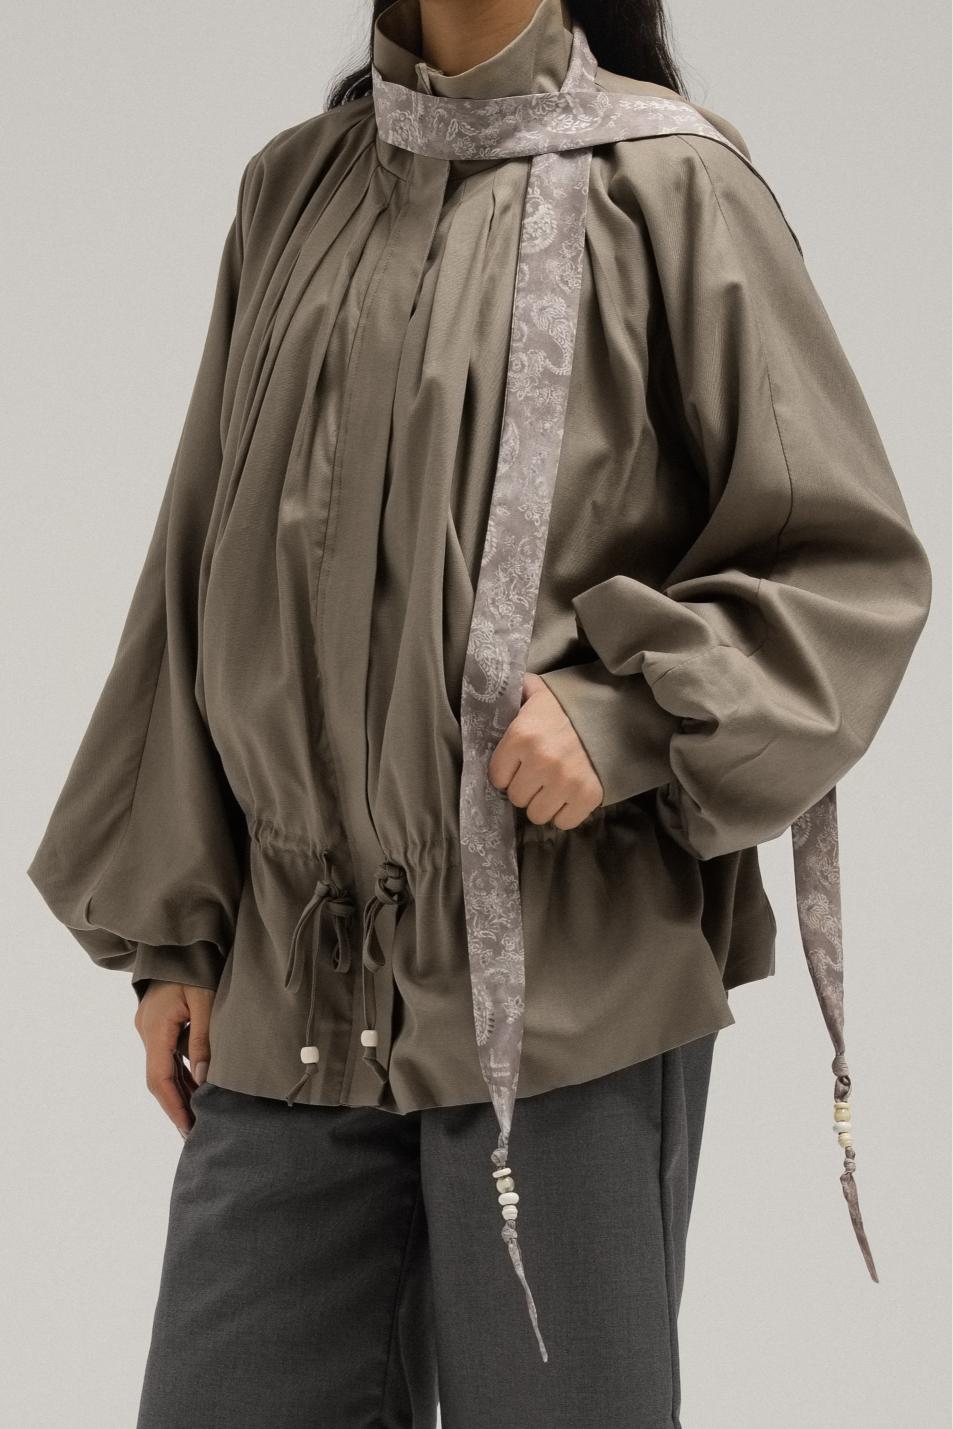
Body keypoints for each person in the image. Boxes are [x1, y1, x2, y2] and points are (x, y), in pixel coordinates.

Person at [26, 0, 932, 1424]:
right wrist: (175, 935)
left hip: (568, 994)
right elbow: (196, 568)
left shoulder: (673, 188)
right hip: (295, 994)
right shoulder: (291, 191)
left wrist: (627, 717)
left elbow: (846, 569)